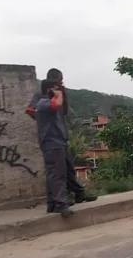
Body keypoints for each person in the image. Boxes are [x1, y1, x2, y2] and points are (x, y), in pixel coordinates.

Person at [26, 68, 97, 213]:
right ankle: (59, 202)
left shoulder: (57, 96)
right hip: (51, 139)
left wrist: (63, 95)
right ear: (54, 81)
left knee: (67, 169)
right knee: (56, 172)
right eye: (60, 80)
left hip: (60, 138)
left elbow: (63, 111)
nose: (62, 82)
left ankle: (74, 195)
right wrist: (44, 121)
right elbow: (31, 110)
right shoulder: (42, 97)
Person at [35, 79, 74, 217]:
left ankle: (52, 203)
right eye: (56, 88)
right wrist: (58, 94)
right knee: (58, 174)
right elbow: (57, 103)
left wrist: (62, 94)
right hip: (53, 143)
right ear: (49, 90)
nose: (59, 91)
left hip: (56, 143)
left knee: (53, 174)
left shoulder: (48, 103)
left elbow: (63, 109)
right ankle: (61, 204)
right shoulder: (44, 103)